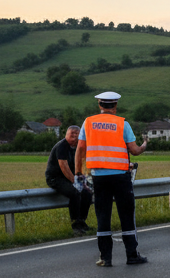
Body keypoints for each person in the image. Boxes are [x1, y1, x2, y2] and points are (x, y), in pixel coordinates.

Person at [75, 90, 148, 267]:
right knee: (126, 215)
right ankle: (132, 256)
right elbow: (134, 150)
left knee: (103, 216)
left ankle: (105, 258)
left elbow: (80, 150)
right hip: (121, 177)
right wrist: (145, 144)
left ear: (100, 105)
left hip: (99, 178)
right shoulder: (123, 123)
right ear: (115, 106)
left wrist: (78, 173)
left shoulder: (88, 122)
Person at [45, 124, 93, 236]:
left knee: (87, 193)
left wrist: (84, 178)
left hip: (71, 177)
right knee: (75, 193)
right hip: (56, 177)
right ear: (66, 135)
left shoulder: (79, 147)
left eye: (77, 135)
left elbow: (82, 162)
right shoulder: (62, 146)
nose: (74, 138)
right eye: (72, 135)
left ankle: (82, 221)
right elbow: (64, 166)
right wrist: (75, 182)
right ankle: (75, 224)